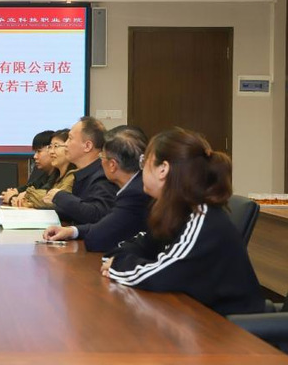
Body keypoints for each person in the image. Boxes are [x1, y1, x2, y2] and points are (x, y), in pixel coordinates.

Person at [101, 128, 264, 316]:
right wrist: (118, 259)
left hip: (231, 327)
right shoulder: (176, 211)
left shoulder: (203, 218)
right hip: (195, 316)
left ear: (163, 169)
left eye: (144, 162)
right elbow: (136, 247)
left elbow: (160, 274)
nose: (141, 170)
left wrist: (117, 264)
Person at [44, 126, 151, 252]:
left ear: (112, 165)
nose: (100, 162)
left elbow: (96, 238)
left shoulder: (134, 194)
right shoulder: (137, 184)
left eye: (102, 156)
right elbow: (106, 223)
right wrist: (73, 231)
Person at [48, 116, 117, 224]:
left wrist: (60, 196)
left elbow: (98, 215)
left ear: (87, 146)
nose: (65, 144)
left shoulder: (103, 175)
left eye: (70, 138)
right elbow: (79, 211)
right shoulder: (84, 173)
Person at [13, 129, 75, 209]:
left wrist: (27, 195)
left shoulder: (73, 176)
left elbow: (54, 201)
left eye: (56, 146)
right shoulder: (56, 176)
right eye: (50, 147)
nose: (51, 152)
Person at [3, 130, 57, 205]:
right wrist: (16, 191)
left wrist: (12, 197)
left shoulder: (61, 175)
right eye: (35, 152)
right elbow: (30, 187)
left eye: (39, 151)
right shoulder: (45, 175)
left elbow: (44, 197)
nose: (35, 156)